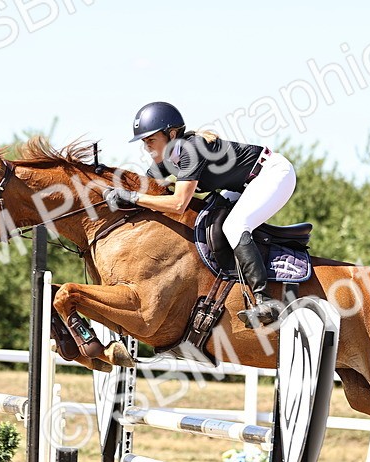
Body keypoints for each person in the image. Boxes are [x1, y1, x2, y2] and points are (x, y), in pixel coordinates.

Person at [103, 101, 296, 328]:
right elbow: (145, 187)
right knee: (211, 222)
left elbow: (178, 204)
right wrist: (108, 191)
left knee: (234, 226)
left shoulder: (191, 150)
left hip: (272, 174)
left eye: (151, 140)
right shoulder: (168, 158)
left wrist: (132, 198)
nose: (147, 148)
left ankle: (265, 301)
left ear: (171, 134)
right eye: (145, 142)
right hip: (244, 185)